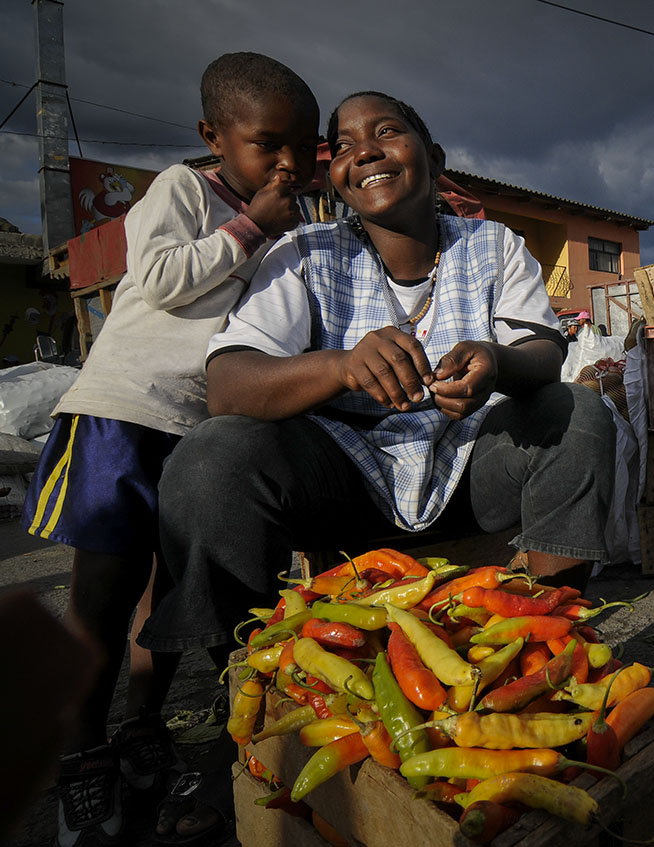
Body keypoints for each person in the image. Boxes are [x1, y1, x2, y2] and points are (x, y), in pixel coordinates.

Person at [137, 91, 613, 655]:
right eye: (342, 145)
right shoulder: (302, 252)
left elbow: (542, 348)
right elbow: (229, 384)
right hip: (340, 489)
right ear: (334, 176)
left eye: (386, 132)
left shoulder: (494, 245)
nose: (364, 152)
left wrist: (495, 360)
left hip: (469, 474)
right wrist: (338, 366)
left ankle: (550, 637)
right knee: (217, 449)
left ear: (433, 159)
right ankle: (249, 671)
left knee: (576, 410)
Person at [21, 53, 318, 847]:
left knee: (167, 598)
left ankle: (140, 727)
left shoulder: (293, 229)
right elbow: (155, 279)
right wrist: (252, 223)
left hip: (198, 431)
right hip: (124, 414)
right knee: (103, 601)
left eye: (305, 146)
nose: (289, 162)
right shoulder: (184, 191)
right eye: (269, 143)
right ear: (212, 137)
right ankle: (82, 761)